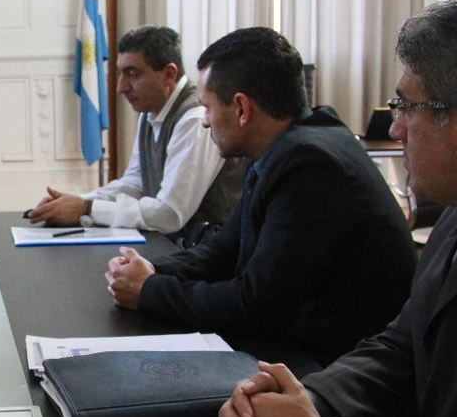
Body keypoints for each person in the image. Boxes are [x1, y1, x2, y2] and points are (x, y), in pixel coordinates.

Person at [218, 0, 457, 417]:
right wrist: (309, 398)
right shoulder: (452, 221)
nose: (395, 130)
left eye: (406, 106)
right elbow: (401, 348)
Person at [105, 27, 416, 366]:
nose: (205, 122)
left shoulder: (310, 165)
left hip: (339, 364)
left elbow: (256, 305)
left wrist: (150, 291)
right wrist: (150, 269)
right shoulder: (289, 146)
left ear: (241, 108)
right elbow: (224, 249)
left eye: (207, 108)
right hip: (307, 344)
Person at [28, 26, 243, 242]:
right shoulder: (151, 110)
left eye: (133, 74)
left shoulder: (194, 119)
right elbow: (135, 184)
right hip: (176, 247)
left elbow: (169, 215)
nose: (121, 87)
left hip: (211, 254)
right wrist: (75, 202)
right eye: (121, 73)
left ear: (169, 74)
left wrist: (87, 208)